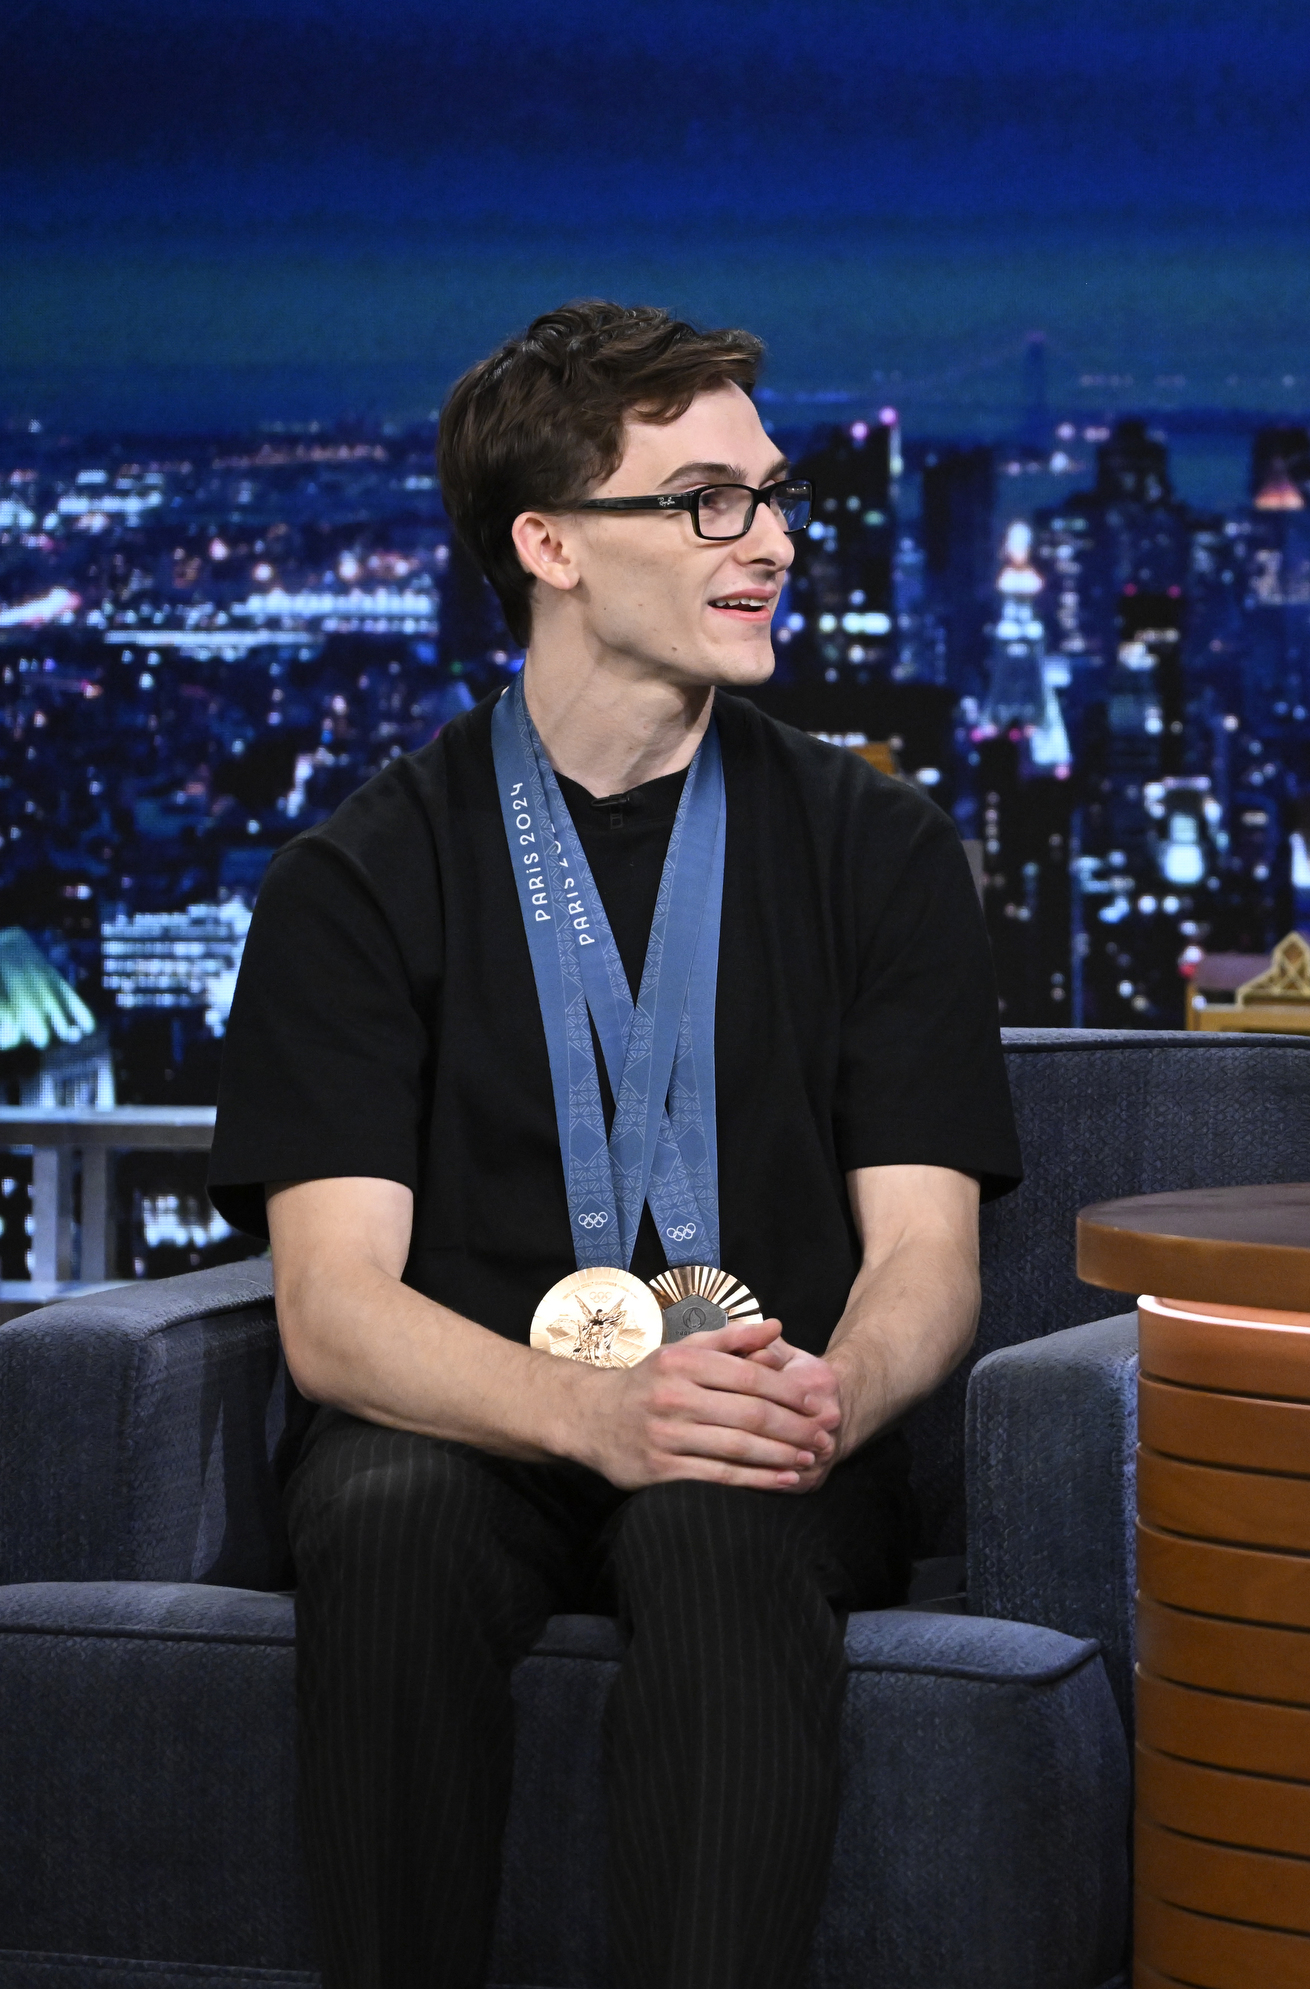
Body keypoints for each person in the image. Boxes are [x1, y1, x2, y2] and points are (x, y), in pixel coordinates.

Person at [206, 300, 1022, 1987]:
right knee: (389, 1519)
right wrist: (596, 1412)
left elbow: (928, 1260)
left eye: (775, 495)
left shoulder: (881, 848)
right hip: (472, 1414)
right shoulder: (360, 877)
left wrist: (829, 1399)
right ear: (550, 542)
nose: (774, 543)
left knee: (725, 1525)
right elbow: (333, 1313)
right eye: (709, 501)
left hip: (768, 1421)